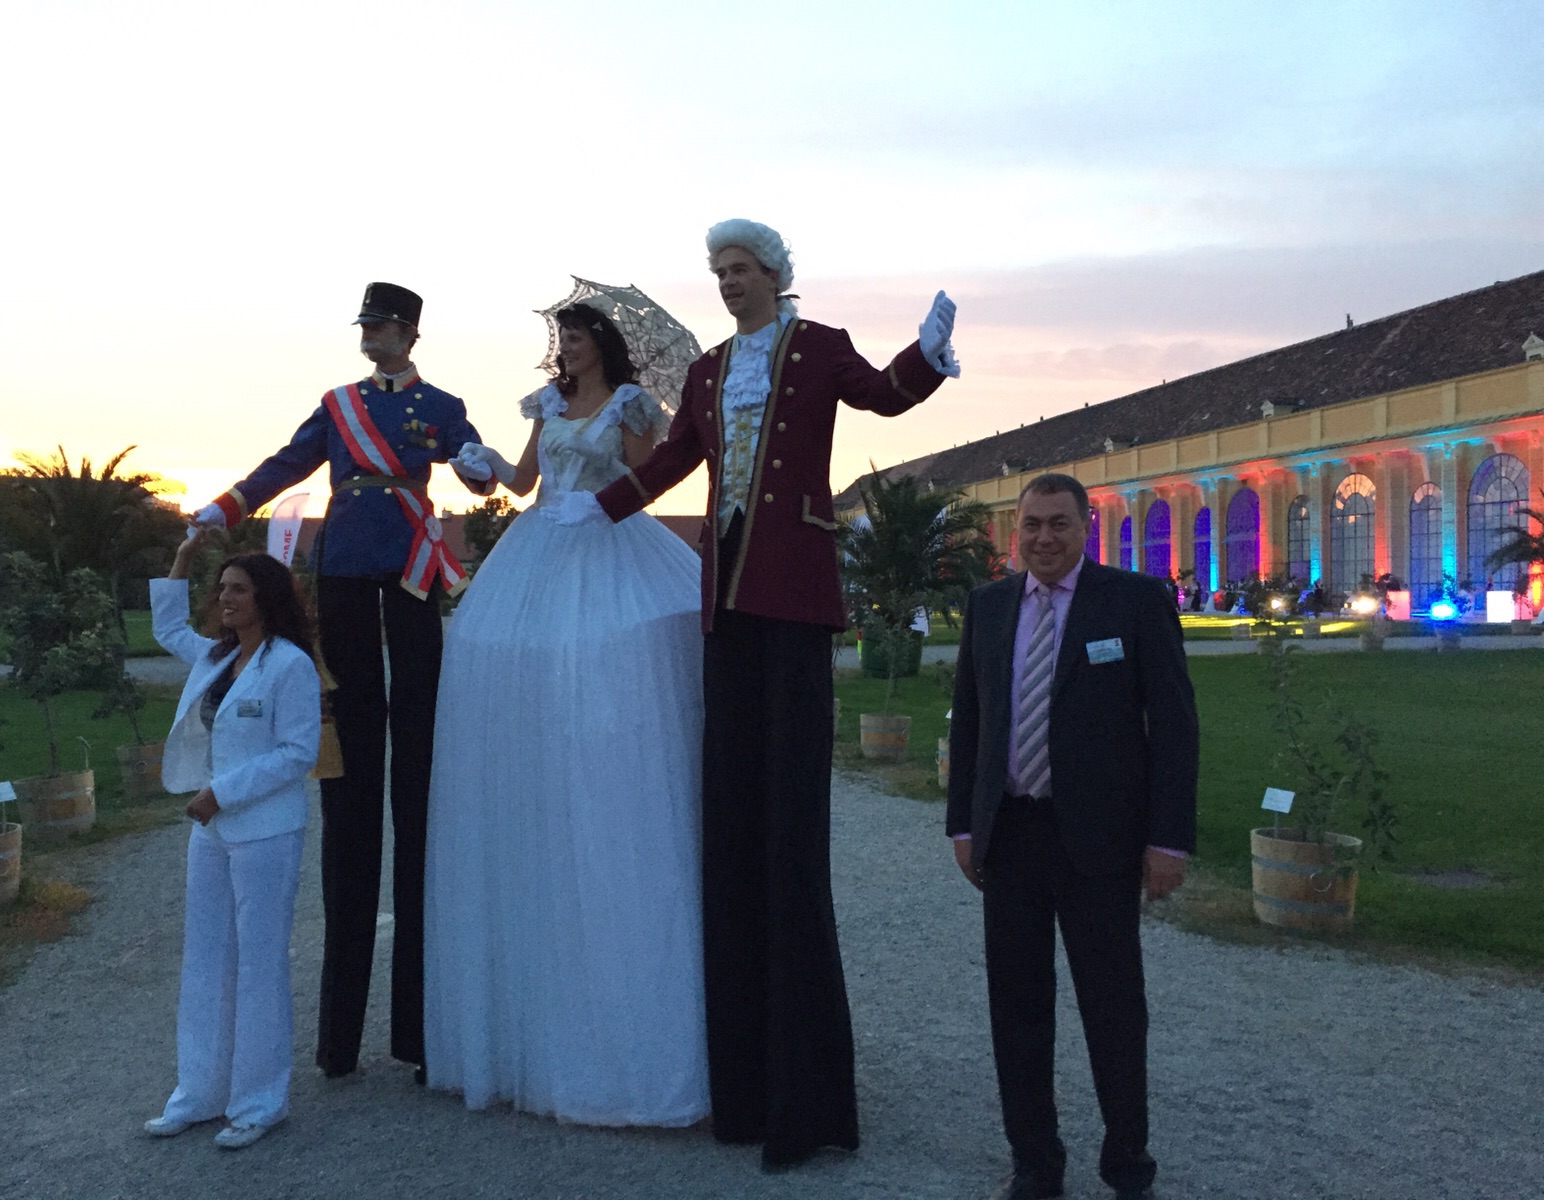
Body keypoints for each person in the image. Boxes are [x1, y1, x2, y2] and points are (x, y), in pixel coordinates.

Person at [552, 219, 960, 1168]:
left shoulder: (817, 348)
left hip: (794, 600)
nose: (729, 282)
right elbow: (672, 464)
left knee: (790, 841)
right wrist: (595, 508)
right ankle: (741, 1092)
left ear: (776, 274)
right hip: (726, 611)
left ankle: (805, 1103)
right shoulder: (706, 373)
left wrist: (927, 356)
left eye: (741, 269)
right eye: (719, 271)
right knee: (732, 835)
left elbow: (883, 396)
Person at [190, 283, 494, 1081]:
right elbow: (287, 463)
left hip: (414, 570)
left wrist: (476, 466)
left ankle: (422, 1038)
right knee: (351, 781)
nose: (371, 334)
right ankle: (338, 1041)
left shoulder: (442, 405)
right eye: (366, 324)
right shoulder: (339, 405)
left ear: (410, 333)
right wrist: (225, 507)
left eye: (383, 325)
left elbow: (478, 472)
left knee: (418, 764)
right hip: (351, 568)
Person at [423, 301, 708, 1125]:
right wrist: (480, 466)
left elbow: (651, 479)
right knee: (503, 653)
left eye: (576, 338)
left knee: (605, 661)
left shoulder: (629, 405)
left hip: (608, 543)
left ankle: (608, 768)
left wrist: (604, 502)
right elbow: (522, 484)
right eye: (562, 340)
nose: (566, 348)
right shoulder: (547, 405)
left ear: (602, 344)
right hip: (540, 545)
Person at [946, 473, 1199, 1200]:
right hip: (1012, 836)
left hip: (1100, 841)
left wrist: (1168, 840)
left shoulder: (1134, 602)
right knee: (1018, 1010)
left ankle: (1128, 1165)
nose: (1044, 538)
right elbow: (971, 722)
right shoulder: (990, 607)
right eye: (1032, 525)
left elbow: (1174, 726)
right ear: (1016, 531)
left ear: (1085, 527)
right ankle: (1035, 1163)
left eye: (1059, 523)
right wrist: (964, 824)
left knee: (1113, 1009)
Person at [144, 535, 322, 1150]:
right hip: (213, 831)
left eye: (238, 590)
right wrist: (181, 560)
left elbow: (298, 752)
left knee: (259, 964)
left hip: (266, 831)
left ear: (266, 598)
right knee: (205, 959)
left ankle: (258, 1102)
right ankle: (198, 1093)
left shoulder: (291, 665)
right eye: (222, 589)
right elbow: (168, 629)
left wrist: (222, 792)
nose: (226, 599)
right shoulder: (216, 657)